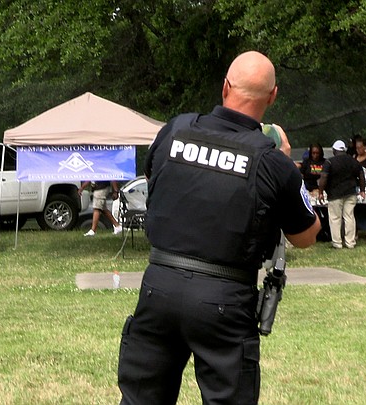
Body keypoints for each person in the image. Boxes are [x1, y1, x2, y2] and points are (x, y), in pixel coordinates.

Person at [117, 51, 320, 404]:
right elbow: (306, 236)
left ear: (225, 86)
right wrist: (289, 165)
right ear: (272, 97)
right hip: (225, 297)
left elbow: (155, 179)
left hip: (158, 285)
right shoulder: (273, 161)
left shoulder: (175, 130)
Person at [318, 140, 366, 249]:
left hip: (334, 194)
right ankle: (350, 242)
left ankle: (337, 243)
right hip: (350, 192)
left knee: (335, 219)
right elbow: (361, 175)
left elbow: (324, 177)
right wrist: (362, 190)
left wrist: (320, 192)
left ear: (334, 150)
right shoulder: (353, 161)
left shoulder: (329, 162)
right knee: (349, 217)